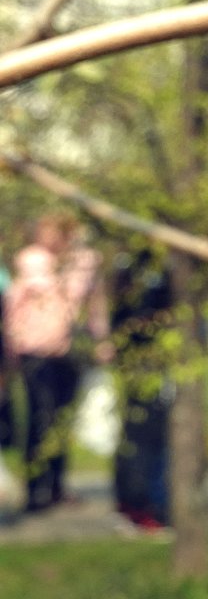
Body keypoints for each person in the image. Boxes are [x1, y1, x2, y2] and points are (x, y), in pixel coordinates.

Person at [2, 213, 110, 513]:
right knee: (40, 417)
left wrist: (100, 338)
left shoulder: (84, 261)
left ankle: (57, 485)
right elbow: (15, 304)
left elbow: (94, 302)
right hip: (35, 348)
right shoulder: (32, 261)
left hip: (69, 349)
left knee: (62, 419)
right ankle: (36, 488)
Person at [110, 245, 175, 532]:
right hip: (144, 364)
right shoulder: (144, 270)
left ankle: (137, 503)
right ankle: (142, 505)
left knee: (141, 435)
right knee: (144, 437)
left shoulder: (137, 265)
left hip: (143, 363)